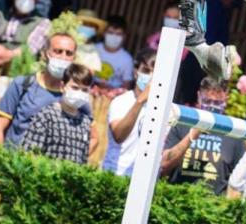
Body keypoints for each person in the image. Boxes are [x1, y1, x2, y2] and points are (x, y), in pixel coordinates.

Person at [0, 32, 94, 148]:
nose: (63, 57)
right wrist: (0, 159)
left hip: (50, 165)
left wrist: (73, 161)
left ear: (74, 58)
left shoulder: (76, 95)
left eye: (69, 53)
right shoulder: (22, 84)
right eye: (58, 51)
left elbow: (94, 137)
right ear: (45, 53)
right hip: (14, 162)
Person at [160, 78, 246, 195]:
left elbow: (239, 183)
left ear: (226, 99)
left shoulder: (233, 131)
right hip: (177, 199)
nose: (211, 107)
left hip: (213, 207)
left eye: (217, 103)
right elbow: (164, 164)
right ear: (199, 96)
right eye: (207, 101)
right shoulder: (183, 123)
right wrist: (191, 136)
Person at [21, 63, 94, 164]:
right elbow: (28, 155)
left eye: (84, 90)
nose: (79, 93)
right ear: (63, 86)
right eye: (75, 88)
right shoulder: (46, 116)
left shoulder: (85, 123)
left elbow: (82, 160)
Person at [103, 48, 155, 176]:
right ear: (136, 71)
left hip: (143, 178)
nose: (151, 77)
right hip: (116, 174)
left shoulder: (166, 109)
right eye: (146, 71)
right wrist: (140, 102)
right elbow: (119, 136)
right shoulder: (120, 102)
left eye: (156, 73)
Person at [94, 15, 134, 97]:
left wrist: (113, 92)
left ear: (124, 36)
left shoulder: (127, 59)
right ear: (104, 33)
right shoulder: (93, 50)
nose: (114, 36)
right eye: (110, 33)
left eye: (118, 34)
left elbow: (126, 85)